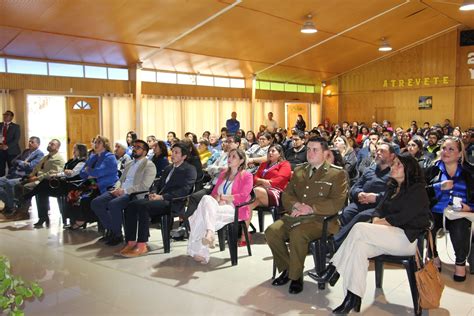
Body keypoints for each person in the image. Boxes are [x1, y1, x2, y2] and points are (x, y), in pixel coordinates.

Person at [312, 155, 431, 314]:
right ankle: (352, 298)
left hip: (406, 239)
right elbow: (378, 210)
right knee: (358, 248)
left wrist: (381, 222)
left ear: (409, 170)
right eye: (393, 164)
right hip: (385, 235)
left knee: (360, 228)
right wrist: (377, 219)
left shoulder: (417, 190)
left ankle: (333, 269)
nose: (393, 167)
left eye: (398, 165)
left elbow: (403, 217)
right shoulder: (392, 187)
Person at [265, 137, 348, 294]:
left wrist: (311, 208)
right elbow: (287, 194)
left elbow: (337, 203)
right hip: (296, 215)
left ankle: (295, 277)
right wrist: (296, 205)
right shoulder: (300, 170)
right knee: (272, 231)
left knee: (298, 234)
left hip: (321, 221)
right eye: (308, 149)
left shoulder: (336, 174)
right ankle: (288, 269)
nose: (310, 153)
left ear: (325, 153)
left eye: (315, 150)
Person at [118, 142, 197, 257]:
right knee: (132, 205)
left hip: (173, 202)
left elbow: (184, 190)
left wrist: (162, 197)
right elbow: (157, 184)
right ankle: (131, 242)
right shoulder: (168, 168)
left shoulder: (189, 169)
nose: (173, 155)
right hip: (158, 199)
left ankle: (142, 244)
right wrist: (153, 193)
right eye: (172, 152)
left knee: (144, 207)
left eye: (176, 153)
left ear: (184, 156)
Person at [187, 148, 252, 264]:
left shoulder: (246, 175)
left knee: (200, 213)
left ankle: (200, 249)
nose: (229, 159)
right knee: (207, 199)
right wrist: (218, 199)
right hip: (218, 207)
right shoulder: (223, 174)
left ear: (241, 160)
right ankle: (210, 233)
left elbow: (243, 196)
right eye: (229, 156)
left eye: (233, 157)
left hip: (235, 208)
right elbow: (214, 194)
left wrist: (224, 198)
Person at [425, 137, 474, 282]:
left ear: (459, 154)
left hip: (459, 212)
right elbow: (420, 193)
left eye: (451, 149)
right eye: (443, 148)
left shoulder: (470, 172)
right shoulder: (432, 170)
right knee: (427, 223)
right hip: (435, 210)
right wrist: (438, 186)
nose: (445, 152)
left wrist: (470, 207)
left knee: (460, 226)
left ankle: (460, 262)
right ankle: (434, 256)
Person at [91, 139, 156, 246]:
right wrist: (116, 188)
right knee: (96, 203)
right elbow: (121, 180)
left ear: (145, 151)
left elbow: (144, 186)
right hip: (120, 190)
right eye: (134, 147)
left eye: (138, 147)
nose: (134, 149)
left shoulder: (149, 165)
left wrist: (124, 191)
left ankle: (117, 235)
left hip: (133, 194)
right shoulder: (129, 163)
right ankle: (111, 229)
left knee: (113, 204)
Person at [333, 143, 395, 249]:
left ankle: (335, 243)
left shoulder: (394, 172)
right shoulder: (369, 170)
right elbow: (355, 187)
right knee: (347, 212)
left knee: (361, 217)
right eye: (377, 150)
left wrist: (376, 197)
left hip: (380, 206)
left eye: (382, 151)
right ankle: (343, 245)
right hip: (361, 202)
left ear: (392, 156)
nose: (378, 153)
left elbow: (394, 194)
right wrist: (359, 193)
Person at [4, 139, 65, 221]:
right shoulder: (46, 157)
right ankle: (18, 209)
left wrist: (36, 178)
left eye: (52, 144)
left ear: (57, 147)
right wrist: (30, 176)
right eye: (49, 143)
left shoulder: (58, 159)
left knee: (27, 187)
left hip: (46, 181)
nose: (49, 144)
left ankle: (24, 212)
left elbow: (51, 173)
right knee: (17, 185)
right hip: (37, 178)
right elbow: (36, 168)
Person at [30, 143, 87, 228]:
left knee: (43, 186)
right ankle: (43, 217)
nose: (73, 150)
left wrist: (59, 174)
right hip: (63, 183)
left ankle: (26, 197)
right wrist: (57, 174)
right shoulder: (71, 160)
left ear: (81, 151)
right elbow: (64, 172)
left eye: (76, 149)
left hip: (72, 185)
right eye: (74, 148)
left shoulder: (82, 162)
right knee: (41, 191)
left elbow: (72, 174)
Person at [244, 144, 291, 245]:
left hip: (277, 192)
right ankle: (244, 236)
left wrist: (265, 182)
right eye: (269, 151)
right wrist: (263, 181)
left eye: (273, 151)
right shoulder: (264, 164)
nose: (270, 153)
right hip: (261, 192)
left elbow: (281, 179)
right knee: (248, 205)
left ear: (280, 153)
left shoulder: (285, 164)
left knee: (253, 193)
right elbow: (254, 178)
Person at [69, 136, 118, 229]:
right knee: (72, 195)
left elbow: (99, 172)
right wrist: (91, 172)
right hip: (91, 183)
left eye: (99, 142)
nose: (96, 144)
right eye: (95, 142)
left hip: (105, 185)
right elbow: (82, 173)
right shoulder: (93, 157)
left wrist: (90, 171)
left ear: (105, 145)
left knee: (85, 199)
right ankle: (80, 219)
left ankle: (83, 219)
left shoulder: (109, 157)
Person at [0, 137, 44, 217]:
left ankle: (11, 207)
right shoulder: (26, 151)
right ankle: (10, 204)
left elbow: (31, 167)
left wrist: (20, 163)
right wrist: (22, 162)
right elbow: (13, 161)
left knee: (9, 184)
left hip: (24, 176)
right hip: (14, 174)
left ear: (38, 144)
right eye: (29, 141)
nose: (30, 143)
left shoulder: (40, 154)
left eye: (32, 142)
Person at [0, 111, 21, 177]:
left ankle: (10, 185)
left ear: (11, 117)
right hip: (0, 150)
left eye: (7, 114)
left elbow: (16, 139)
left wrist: (7, 146)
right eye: (4, 114)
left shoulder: (16, 127)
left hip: (12, 151)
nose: (5, 115)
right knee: (0, 169)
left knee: (12, 169)